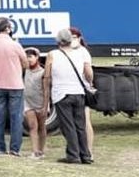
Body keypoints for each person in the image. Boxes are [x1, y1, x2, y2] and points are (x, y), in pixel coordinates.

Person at [43, 27, 94, 165]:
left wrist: (46, 98)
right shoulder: (80, 53)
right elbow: (88, 73)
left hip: (61, 94)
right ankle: (86, 155)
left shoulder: (52, 54)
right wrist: (89, 84)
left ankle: (73, 155)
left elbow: (47, 77)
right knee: (80, 125)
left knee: (68, 126)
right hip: (79, 93)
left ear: (58, 41)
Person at [0, 16, 28, 158]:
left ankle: (0, 148)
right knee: (16, 117)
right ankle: (15, 148)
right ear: (7, 28)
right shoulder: (15, 45)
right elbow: (25, 63)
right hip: (15, 84)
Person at [71, 26, 96, 153]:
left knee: (85, 121)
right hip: (72, 89)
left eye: (74, 37)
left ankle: (89, 150)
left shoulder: (83, 52)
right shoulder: (67, 51)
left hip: (82, 89)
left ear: (79, 38)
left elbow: (88, 72)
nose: (72, 40)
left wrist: (89, 83)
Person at [22, 47, 47, 159]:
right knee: (32, 126)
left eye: (31, 57)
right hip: (28, 103)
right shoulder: (25, 70)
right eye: (27, 57)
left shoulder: (42, 73)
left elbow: (46, 90)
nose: (28, 60)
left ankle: (41, 150)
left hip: (40, 103)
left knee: (41, 127)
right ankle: (35, 151)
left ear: (37, 58)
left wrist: (45, 106)